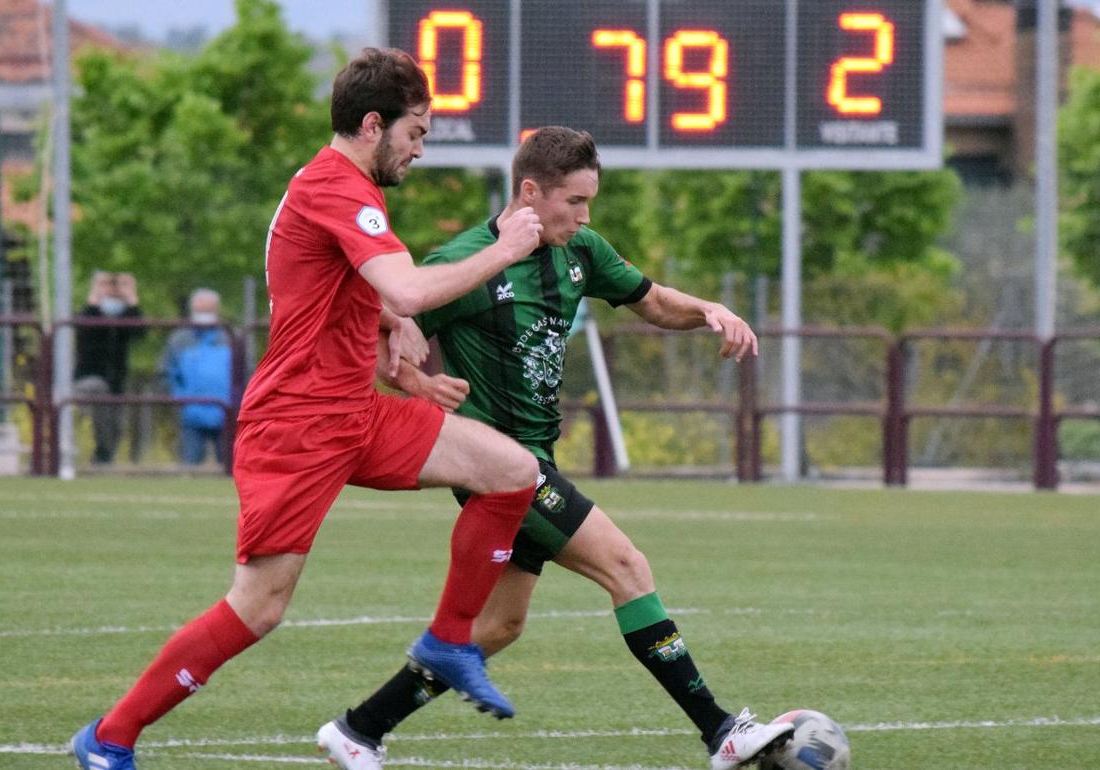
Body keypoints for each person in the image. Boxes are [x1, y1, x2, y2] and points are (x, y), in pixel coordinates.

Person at [69, 48, 547, 770]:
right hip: (297, 425)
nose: (421, 148)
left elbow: (356, 293)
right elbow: (411, 288)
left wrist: (391, 336)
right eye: (416, 132)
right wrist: (504, 248)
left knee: (511, 471)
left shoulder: (346, 190)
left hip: (353, 413)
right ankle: (110, 737)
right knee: (257, 607)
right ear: (371, 124)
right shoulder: (336, 186)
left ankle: (449, 642)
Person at [316, 126, 791, 770]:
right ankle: (721, 732)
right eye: (574, 202)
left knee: (497, 628)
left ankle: (358, 730)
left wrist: (710, 309)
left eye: (589, 202)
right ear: (530, 192)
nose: (585, 216)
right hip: (498, 470)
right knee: (627, 568)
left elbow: (651, 301)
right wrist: (417, 382)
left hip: (537, 462)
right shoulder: (466, 261)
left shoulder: (581, 252)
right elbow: (379, 327)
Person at [73, 271, 144, 464]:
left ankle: (104, 459)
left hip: (116, 383)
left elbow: (139, 332)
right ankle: (102, 453)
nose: (112, 290)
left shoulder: (122, 318)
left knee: (116, 426)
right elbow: (85, 328)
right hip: (87, 380)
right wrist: (95, 299)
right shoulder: (89, 313)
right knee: (99, 389)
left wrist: (131, 298)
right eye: (106, 285)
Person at [158, 288, 232, 466]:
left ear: (217, 310)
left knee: (231, 468)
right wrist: (179, 399)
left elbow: (244, 373)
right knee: (189, 468)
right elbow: (165, 373)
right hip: (190, 415)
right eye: (200, 311)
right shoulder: (179, 340)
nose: (203, 315)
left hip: (227, 413)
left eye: (208, 311)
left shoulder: (230, 337)